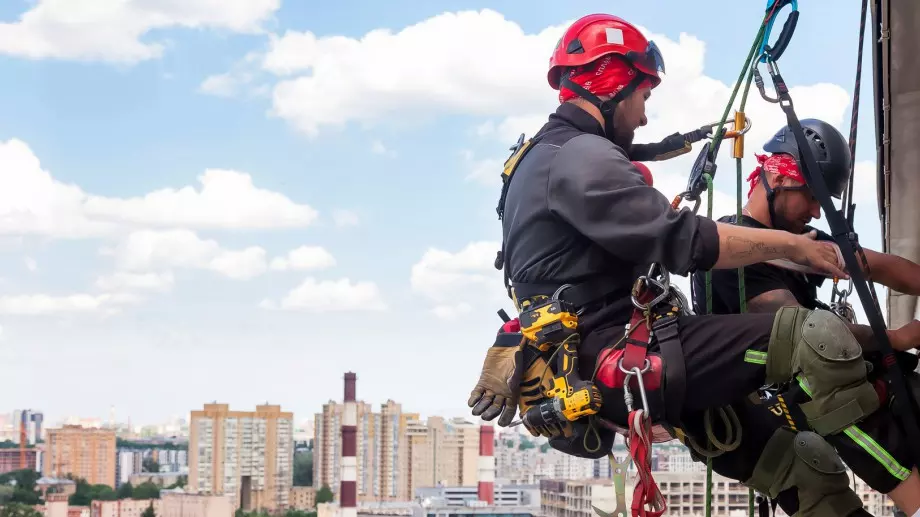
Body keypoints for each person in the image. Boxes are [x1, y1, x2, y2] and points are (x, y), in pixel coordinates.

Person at [464, 13, 920, 517]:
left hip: (612, 362)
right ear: (613, 83)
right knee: (814, 337)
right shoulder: (580, 157)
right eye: (643, 96)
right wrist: (793, 247)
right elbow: (682, 239)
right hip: (623, 357)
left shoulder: (541, 158)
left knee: (801, 467)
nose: (643, 117)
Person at [688, 118, 920, 515]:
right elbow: (803, 334)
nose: (815, 212)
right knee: (837, 387)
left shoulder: (802, 243)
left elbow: (883, 267)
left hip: (824, 386)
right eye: (811, 197)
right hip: (781, 402)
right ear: (779, 179)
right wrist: (896, 337)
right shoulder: (732, 254)